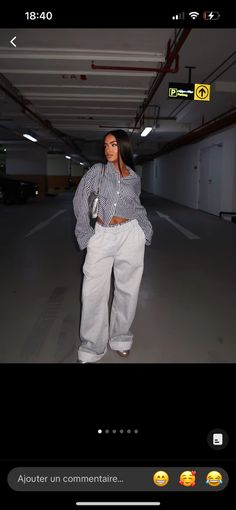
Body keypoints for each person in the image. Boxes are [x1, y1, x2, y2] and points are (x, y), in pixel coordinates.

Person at [73, 129, 153, 363]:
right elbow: (80, 200)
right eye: (106, 145)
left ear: (124, 147)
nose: (108, 149)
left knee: (128, 291)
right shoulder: (97, 171)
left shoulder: (134, 178)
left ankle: (120, 338)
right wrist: (86, 234)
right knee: (92, 292)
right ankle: (91, 347)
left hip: (130, 234)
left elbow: (137, 206)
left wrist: (144, 230)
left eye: (114, 145)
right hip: (102, 234)